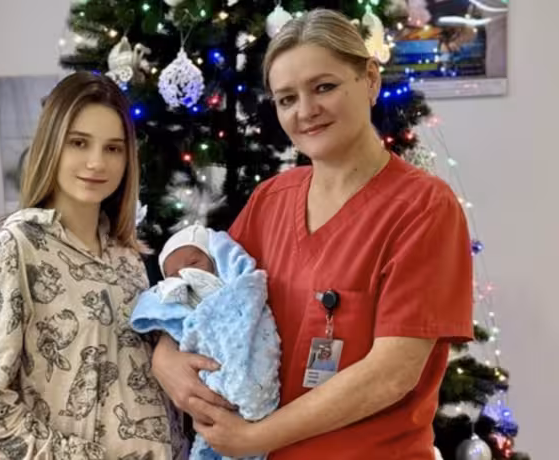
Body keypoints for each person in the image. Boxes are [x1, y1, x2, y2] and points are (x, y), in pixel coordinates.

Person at [150, 8, 474, 460]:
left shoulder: (423, 208)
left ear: (370, 79)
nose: (306, 111)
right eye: (287, 99)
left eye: (324, 87)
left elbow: (392, 373)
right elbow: (201, 293)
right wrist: (165, 356)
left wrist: (255, 438)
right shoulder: (271, 200)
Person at [0, 72, 184, 460]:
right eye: (79, 143)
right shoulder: (13, 251)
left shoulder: (129, 259)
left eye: (113, 148)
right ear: (52, 146)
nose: (97, 162)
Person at [130, 224, 281, 460]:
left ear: (216, 260)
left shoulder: (237, 288)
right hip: (209, 398)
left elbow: (249, 304)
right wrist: (165, 352)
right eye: (173, 274)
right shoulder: (178, 302)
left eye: (194, 263)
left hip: (256, 386)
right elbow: (167, 320)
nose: (184, 273)